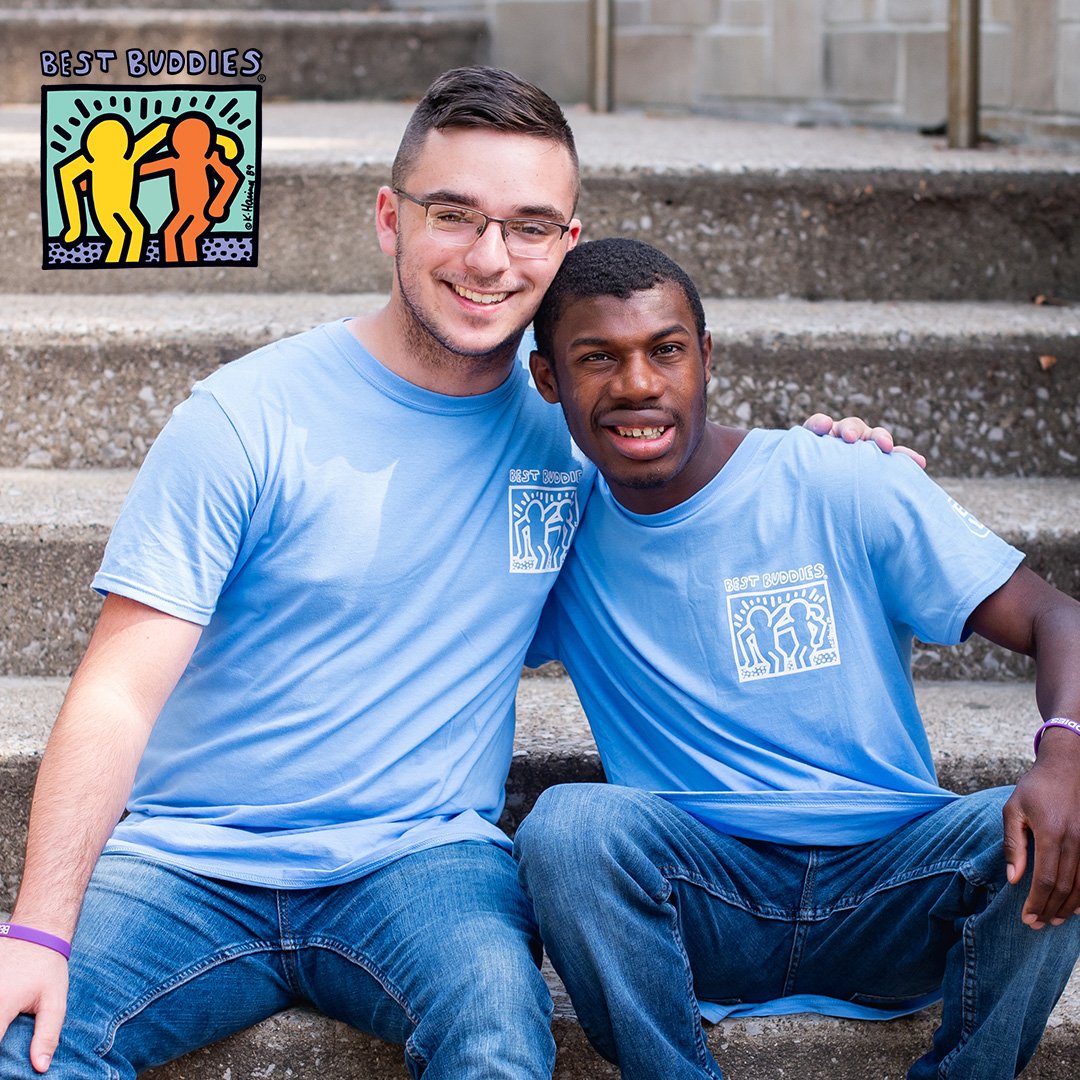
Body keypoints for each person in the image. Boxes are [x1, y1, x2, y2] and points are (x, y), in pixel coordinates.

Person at [1, 69, 899, 1078]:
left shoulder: (577, 430)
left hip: (424, 862)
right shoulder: (246, 418)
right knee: (24, 1042)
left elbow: (713, 512)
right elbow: (119, 692)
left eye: (528, 226)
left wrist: (835, 467)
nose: (489, 258)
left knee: (498, 1036)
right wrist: (38, 931)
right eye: (454, 215)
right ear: (390, 218)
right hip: (189, 863)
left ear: (567, 243)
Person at [514, 237, 1080, 1080]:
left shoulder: (841, 479)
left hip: (893, 889)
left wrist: (1065, 750)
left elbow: (1054, 613)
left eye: (665, 350)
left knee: (1060, 824)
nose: (637, 384)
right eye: (598, 358)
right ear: (550, 381)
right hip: (702, 899)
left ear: (704, 357)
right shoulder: (549, 530)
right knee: (567, 827)